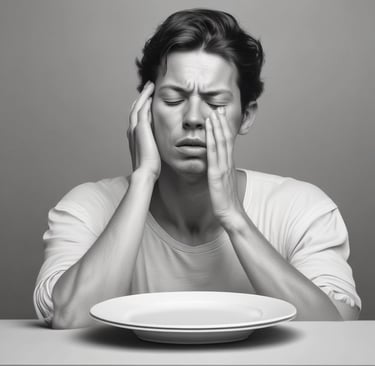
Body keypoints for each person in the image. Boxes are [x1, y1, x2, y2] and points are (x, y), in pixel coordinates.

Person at [34, 8, 361, 328]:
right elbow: (68, 318)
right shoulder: (85, 207)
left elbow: (333, 329)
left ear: (245, 116)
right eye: (174, 100)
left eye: (215, 103)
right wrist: (143, 179)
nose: (192, 118)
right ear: (145, 110)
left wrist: (235, 219)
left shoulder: (302, 209)